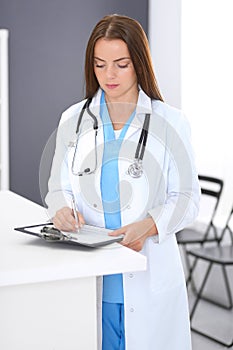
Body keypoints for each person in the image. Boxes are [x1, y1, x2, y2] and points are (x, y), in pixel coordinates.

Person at [45, 14, 200, 350]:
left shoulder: (170, 122)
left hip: (148, 277)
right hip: (91, 280)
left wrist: (148, 225)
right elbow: (59, 189)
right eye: (100, 65)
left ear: (139, 63)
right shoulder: (73, 120)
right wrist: (60, 211)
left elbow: (188, 199)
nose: (109, 75)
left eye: (121, 64)